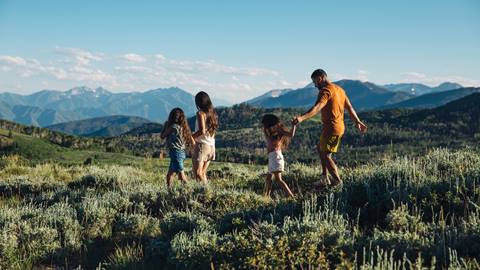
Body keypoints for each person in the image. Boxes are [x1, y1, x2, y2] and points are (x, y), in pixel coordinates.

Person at [292, 69, 367, 188]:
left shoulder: (325, 91)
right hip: (335, 127)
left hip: (332, 128)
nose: (315, 85)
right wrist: (357, 121)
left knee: (326, 156)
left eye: (315, 81)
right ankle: (324, 177)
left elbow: (317, 108)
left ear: (321, 78)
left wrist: (301, 118)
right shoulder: (340, 90)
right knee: (320, 148)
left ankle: (337, 182)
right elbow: (350, 107)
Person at [262, 114, 296, 197]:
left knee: (278, 179)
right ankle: (266, 196)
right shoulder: (269, 132)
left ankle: (291, 196)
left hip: (276, 157)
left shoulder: (279, 131)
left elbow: (291, 135)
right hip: (272, 157)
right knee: (268, 178)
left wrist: (294, 125)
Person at [161, 107, 195, 189]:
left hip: (175, 153)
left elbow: (162, 136)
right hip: (181, 153)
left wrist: (165, 126)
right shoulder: (184, 128)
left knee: (181, 177)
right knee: (169, 175)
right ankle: (170, 193)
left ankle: (189, 192)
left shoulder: (173, 127)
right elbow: (193, 142)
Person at [192, 91, 218, 184]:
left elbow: (201, 131)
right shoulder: (213, 113)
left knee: (198, 173)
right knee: (203, 173)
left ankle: (206, 192)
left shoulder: (200, 113)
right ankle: (206, 194)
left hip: (202, 146)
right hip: (211, 146)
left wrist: (191, 137)